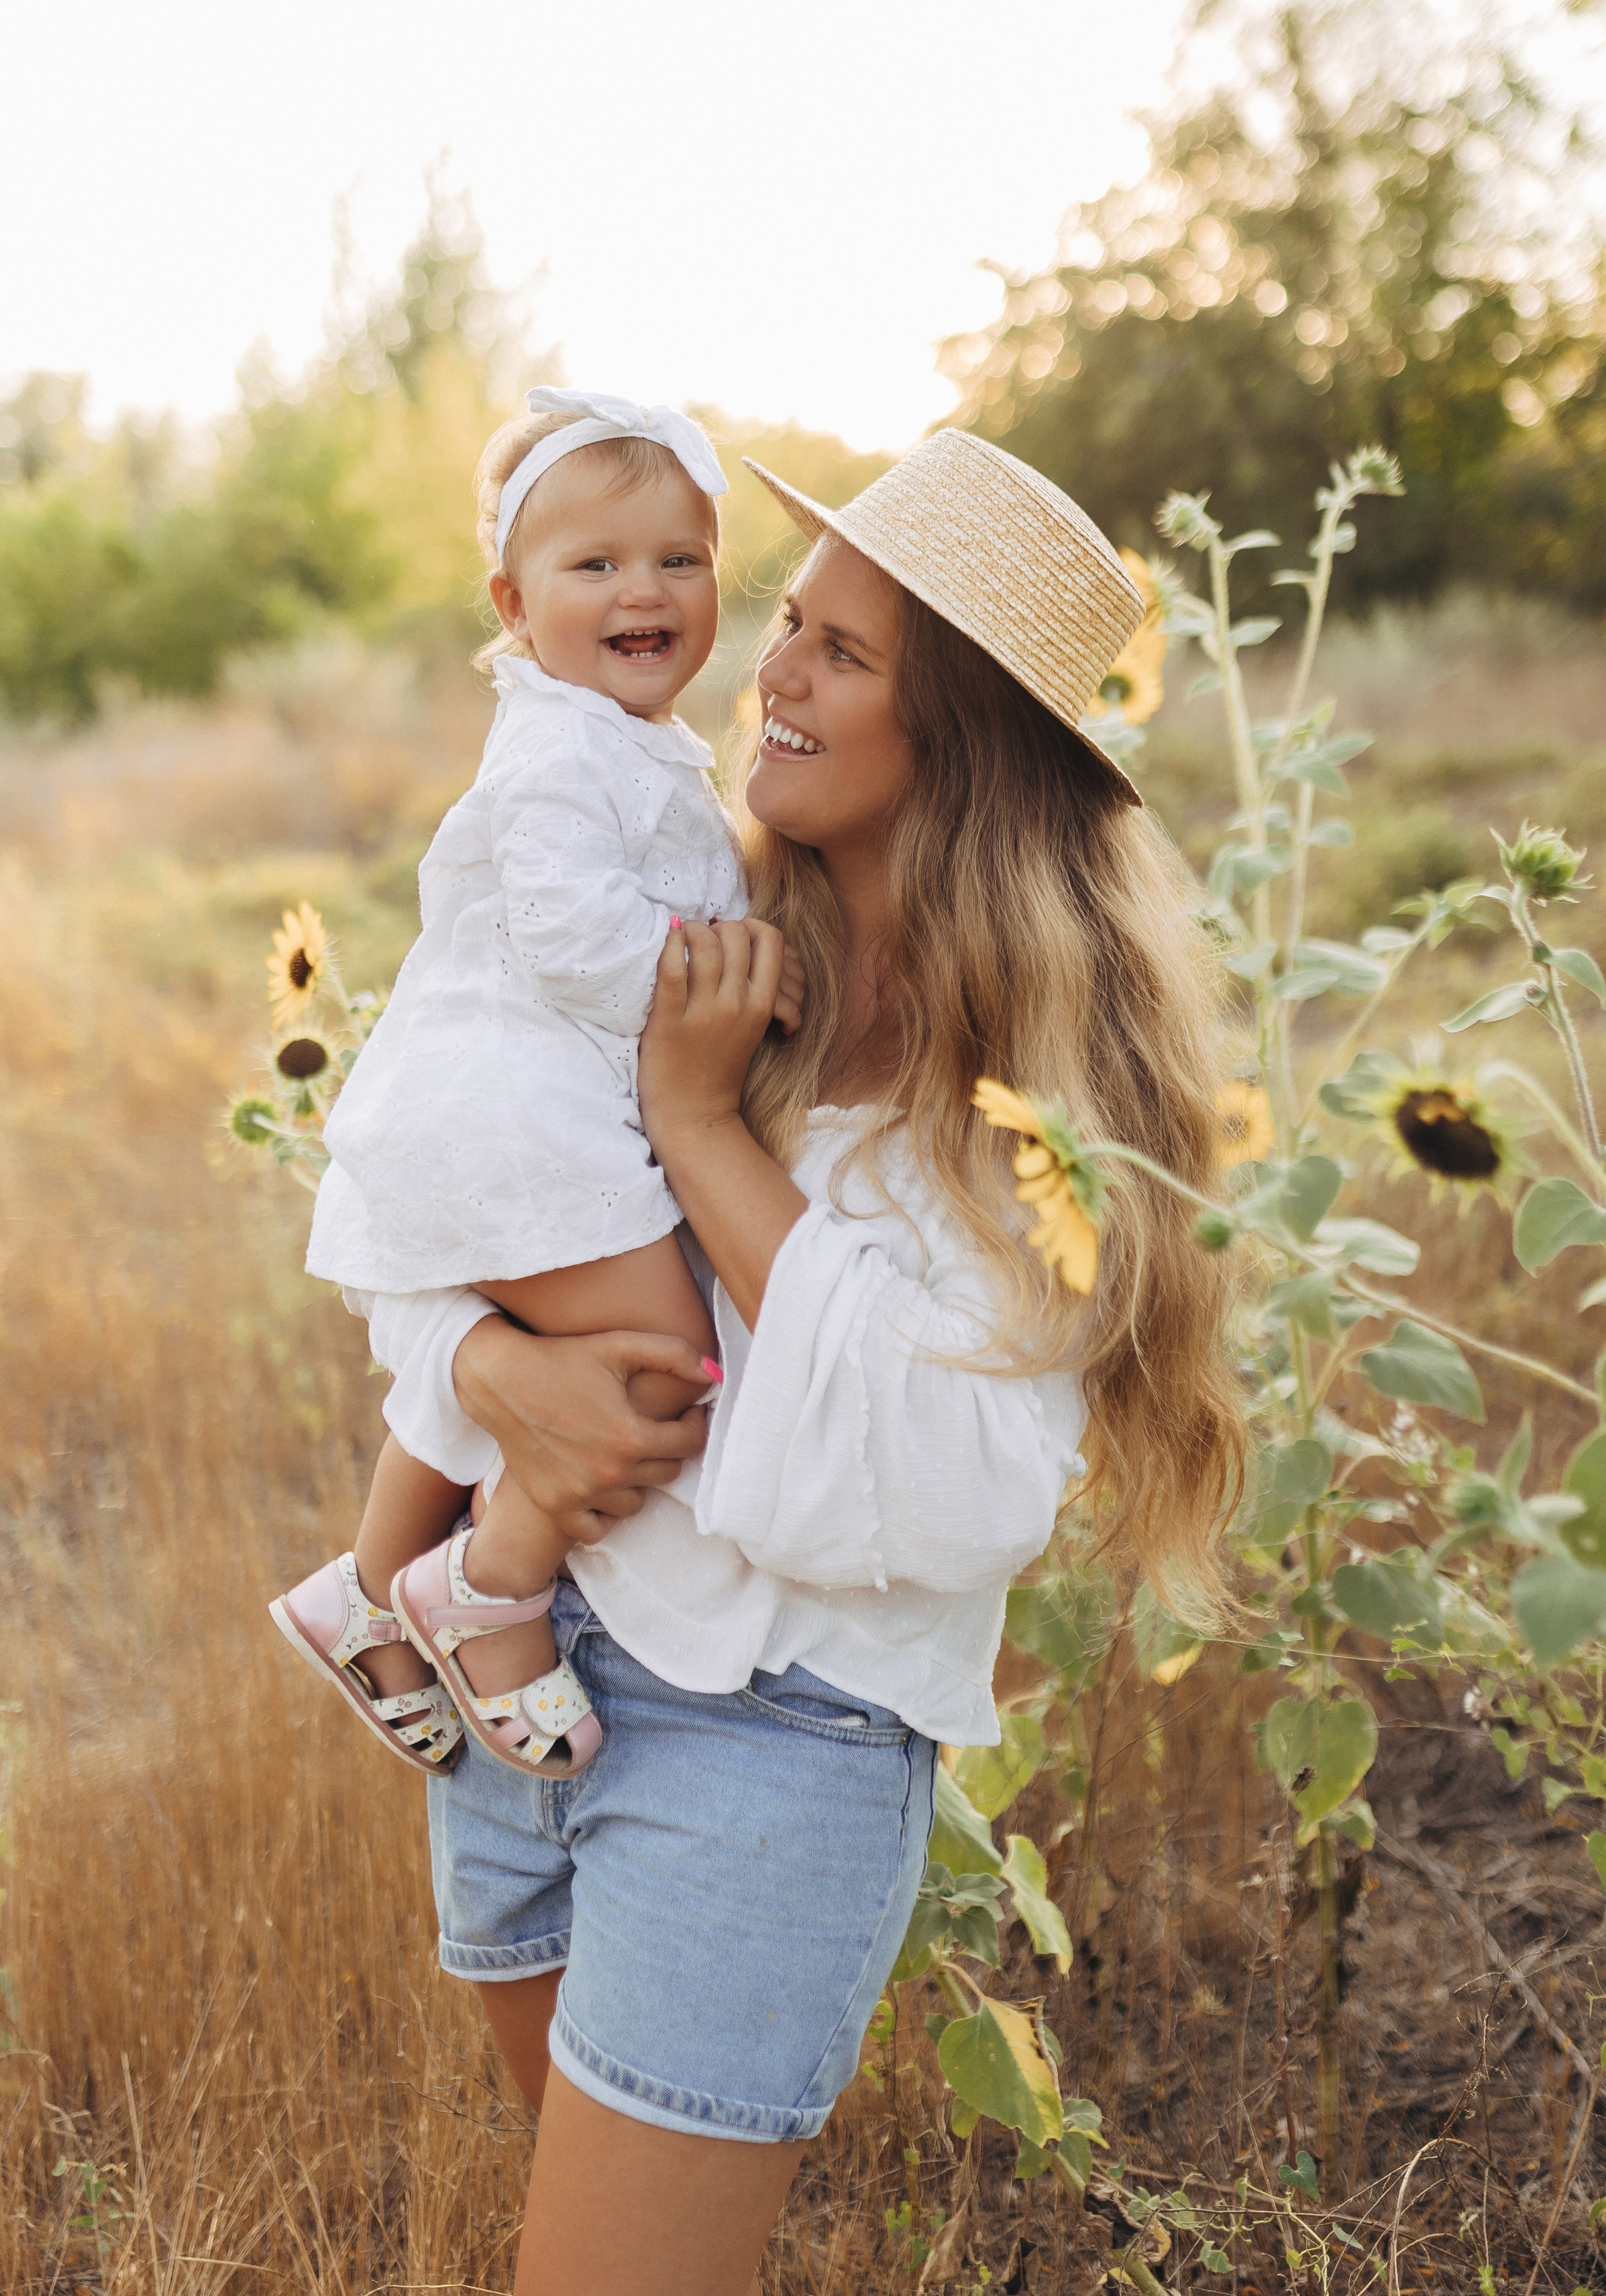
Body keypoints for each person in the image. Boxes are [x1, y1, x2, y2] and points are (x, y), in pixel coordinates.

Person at [348, 427, 1246, 2296]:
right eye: (793, 622)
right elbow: (447, 1171)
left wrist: (701, 1134)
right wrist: (483, 1373)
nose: (773, 667)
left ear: (965, 742)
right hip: (529, 1680)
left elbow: (943, 1491)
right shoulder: (708, 946)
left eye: (843, 653)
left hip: (774, 1734)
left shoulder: (1047, 1104)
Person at [270, 389, 800, 1777]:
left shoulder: (628, 741)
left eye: (678, 560)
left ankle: (368, 1589)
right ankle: (488, 1587)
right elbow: (572, 939)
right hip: (519, 1125)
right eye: (596, 565)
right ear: (513, 603)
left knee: (540, 1361)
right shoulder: (561, 746)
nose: (645, 591)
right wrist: (728, 983)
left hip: (515, 1114)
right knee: (662, 1370)